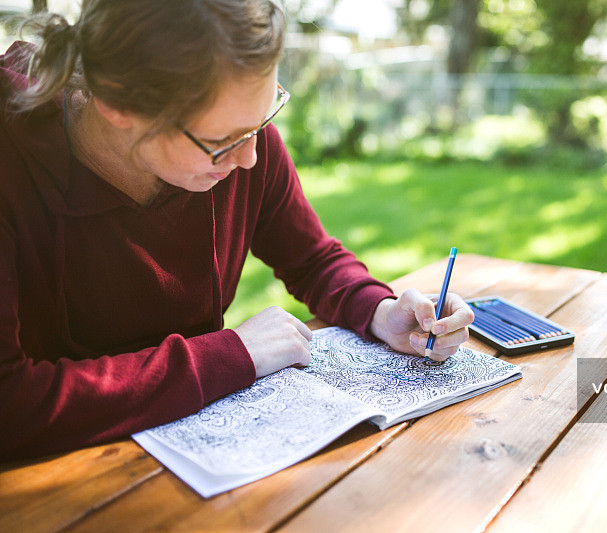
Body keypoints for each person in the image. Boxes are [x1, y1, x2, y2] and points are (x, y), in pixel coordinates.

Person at [0, 0, 473, 460]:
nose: (249, 159)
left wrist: (380, 311)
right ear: (116, 103)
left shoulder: (243, 141)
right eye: (220, 141)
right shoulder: (11, 157)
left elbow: (311, 258)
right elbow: (11, 403)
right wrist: (230, 355)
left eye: (263, 119)